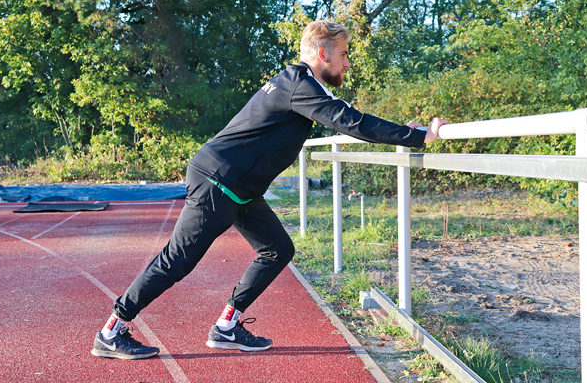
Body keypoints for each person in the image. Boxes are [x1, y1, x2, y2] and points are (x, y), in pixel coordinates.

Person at [90, 20, 449, 359]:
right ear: (323, 54)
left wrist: (405, 131)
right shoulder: (300, 84)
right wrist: (421, 136)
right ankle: (112, 330)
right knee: (177, 261)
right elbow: (350, 121)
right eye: (343, 54)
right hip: (219, 181)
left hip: (240, 187)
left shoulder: (300, 84)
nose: (348, 63)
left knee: (278, 249)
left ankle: (227, 326)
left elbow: (346, 115)